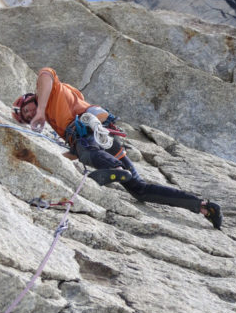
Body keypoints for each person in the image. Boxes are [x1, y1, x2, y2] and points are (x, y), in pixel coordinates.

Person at [12, 67, 222, 230]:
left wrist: (40, 111)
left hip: (90, 131)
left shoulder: (52, 92)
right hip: (103, 140)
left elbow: (45, 74)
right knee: (139, 189)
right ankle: (203, 206)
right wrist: (56, 162)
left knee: (87, 151)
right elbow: (78, 152)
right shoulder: (55, 119)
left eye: (27, 110)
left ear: (31, 98)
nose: (29, 116)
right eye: (26, 118)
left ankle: (114, 168)